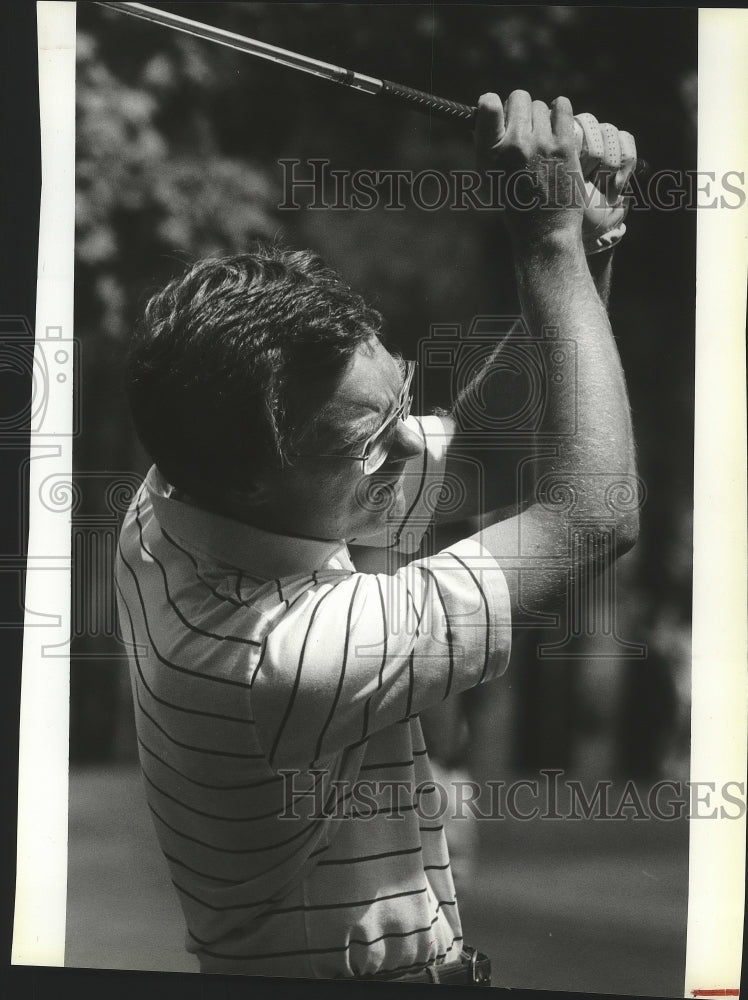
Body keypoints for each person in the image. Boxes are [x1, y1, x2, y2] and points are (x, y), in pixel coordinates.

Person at [116, 91, 639, 983]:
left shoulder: (181, 492)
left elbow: (484, 456)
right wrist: (546, 243)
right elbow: (593, 516)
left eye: (401, 400)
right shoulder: (271, 660)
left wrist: (582, 252)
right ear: (251, 475)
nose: (413, 440)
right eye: (371, 440)